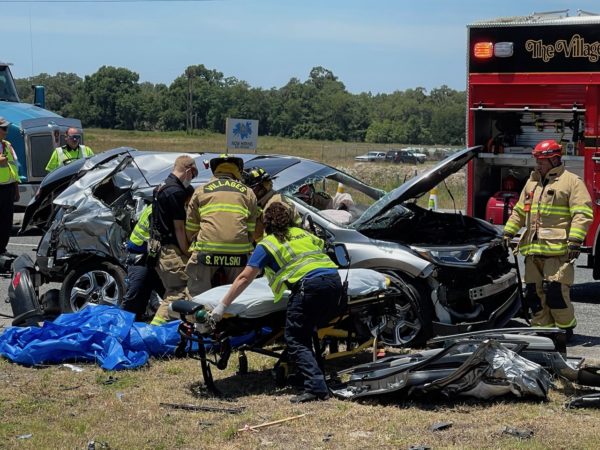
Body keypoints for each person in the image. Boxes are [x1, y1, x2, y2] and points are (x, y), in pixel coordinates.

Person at [211, 202, 343, 403]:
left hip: (310, 287)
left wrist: (222, 306)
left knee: (296, 338)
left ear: (266, 224)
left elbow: (244, 278)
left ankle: (316, 388)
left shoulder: (268, 244)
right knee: (306, 332)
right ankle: (299, 372)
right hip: (334, 284)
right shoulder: (304, 234)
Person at [503, 140, 593, 340]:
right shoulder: (532, 182)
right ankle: (543, 332)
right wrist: (508, 233)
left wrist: (575, 240)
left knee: (556, 293)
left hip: (558, 252)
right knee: (534, 294)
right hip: (533, 251)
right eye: (537, 160)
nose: (538, 164)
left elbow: (583, 213)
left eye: (542, 160)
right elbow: (519, 211)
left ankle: (564, 331)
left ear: (554, 159)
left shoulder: (571, 182)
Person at [185, 154, 258, 296]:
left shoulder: (201, 190)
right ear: (237, 171)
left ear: (215, 171)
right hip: (238, 253)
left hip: (207, 250)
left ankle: (198, 315)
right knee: (238, 294)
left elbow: (191, 228)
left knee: (197, 295)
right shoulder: (248, 192)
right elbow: (251, 231)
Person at [150, 155, 198, 325]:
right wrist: (187, 252)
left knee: (172, 291)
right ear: (188, 170)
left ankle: (167, 329)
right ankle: (154, 331)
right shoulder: (175, 192)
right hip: (171, 251)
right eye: (193, 175)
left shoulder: (160, 187)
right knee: (178, 291)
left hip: (159, 249)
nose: (192, 179)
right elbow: (179, 228)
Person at [243, 166, 298, 241]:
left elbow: (275, 240)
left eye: (251, 189)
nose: (247, 193)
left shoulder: (275, 204)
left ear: (262, 188)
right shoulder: (264, 202)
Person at [0, 117, 20, 257]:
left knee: (7, 221)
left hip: (8, 188)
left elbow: (14, 167)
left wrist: (16, 189)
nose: (6, 132)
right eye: (4, 129)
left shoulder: (7, 145)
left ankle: (2, 249)